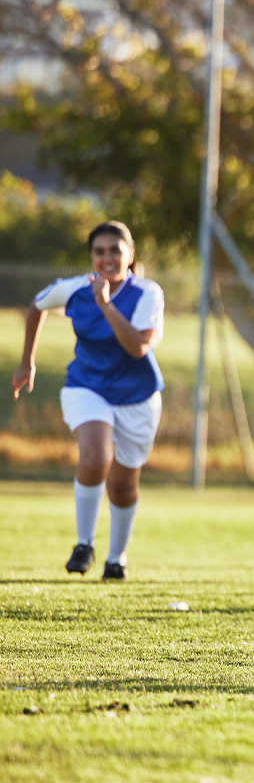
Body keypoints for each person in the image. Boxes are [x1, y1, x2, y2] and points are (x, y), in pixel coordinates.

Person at [11, 220, 165, 581]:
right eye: (100, 251)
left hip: (136, 396)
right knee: (96, 455)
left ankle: (116, 558)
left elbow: (137, 346)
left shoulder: (147, 293)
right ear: (92, 256)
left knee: (124, 486)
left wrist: (106, 304)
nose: (107, 257)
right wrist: (26, 361)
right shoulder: (74, 288)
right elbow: (37, 306)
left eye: (115, 250)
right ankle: (84, 544)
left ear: (130, 255)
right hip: (87, 386)